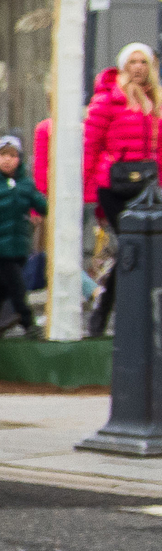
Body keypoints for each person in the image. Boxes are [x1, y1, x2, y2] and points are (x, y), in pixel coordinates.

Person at [84, 42, 162, 335]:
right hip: (114, 187)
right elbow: (90, 146)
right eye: (133, 62)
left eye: (144, 62)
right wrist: (92, 192)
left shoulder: (156, 101)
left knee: (145, 248)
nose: (139, 68)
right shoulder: (107, 100)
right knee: (131, 246)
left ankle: (127, 312)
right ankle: (104, 311)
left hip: (148, 187)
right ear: (123, 66)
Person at [0, 134, 45, 338]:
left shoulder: (25, 185)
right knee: (17, 286)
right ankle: (29, 322)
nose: (7, 159)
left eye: (12, 155)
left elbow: (41, 204)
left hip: (20, 246)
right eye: (3, 154)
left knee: (2, 288)